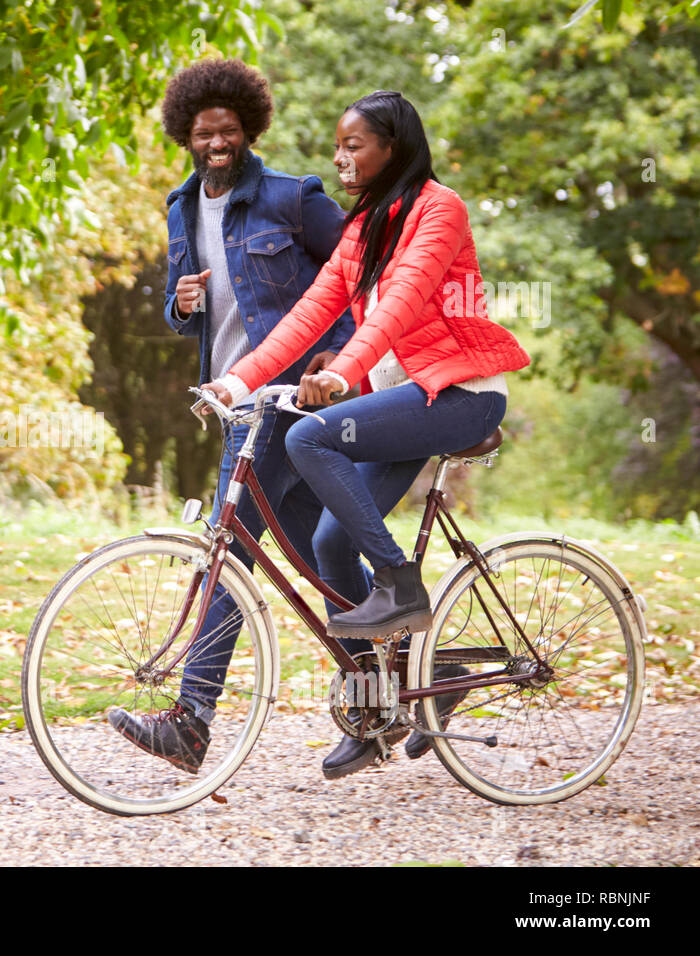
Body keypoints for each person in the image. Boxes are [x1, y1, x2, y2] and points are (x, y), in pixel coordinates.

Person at [204, 90, 531, 779]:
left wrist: (345, 374)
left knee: (308, 438)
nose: (339, 158)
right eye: (337, 146)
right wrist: (234, 384)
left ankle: (400, 585)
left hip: (462, 393)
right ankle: (382, 702)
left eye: (354, 145)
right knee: (327, 543)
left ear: (394, 146)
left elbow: (404, 302)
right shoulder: (362, 229)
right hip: (409, 395)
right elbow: (310, 314)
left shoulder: (439, 210)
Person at [107, 59, 356, 772]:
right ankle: (395, 674)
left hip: (287, 403)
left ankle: (191, 720)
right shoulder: (180, 206)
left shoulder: (292, 197)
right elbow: (183, 312)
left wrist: (331, 359)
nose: (217, 140)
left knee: (228, 550)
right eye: (203, 130)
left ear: (248, 128)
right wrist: (180, 306)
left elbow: (359, 277)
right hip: (234, 402)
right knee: (317, 553)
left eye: (228, 129)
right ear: (185, 135)